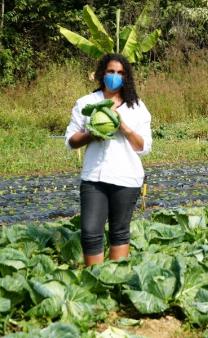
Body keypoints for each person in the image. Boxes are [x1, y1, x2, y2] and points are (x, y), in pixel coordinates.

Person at [65, 53, 152, 266]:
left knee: (119, 232)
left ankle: (115, 280)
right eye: (111, 71)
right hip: (94, 177)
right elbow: (71, 140)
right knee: (90, 231)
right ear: (102, 73)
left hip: (126, 178)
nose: (115, 76)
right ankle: (95, 280)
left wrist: (123, 127)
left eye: (120, 73)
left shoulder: (137, 107)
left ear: (127, 77)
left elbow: (144, 147)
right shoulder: (86, 102)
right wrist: (91, 134)